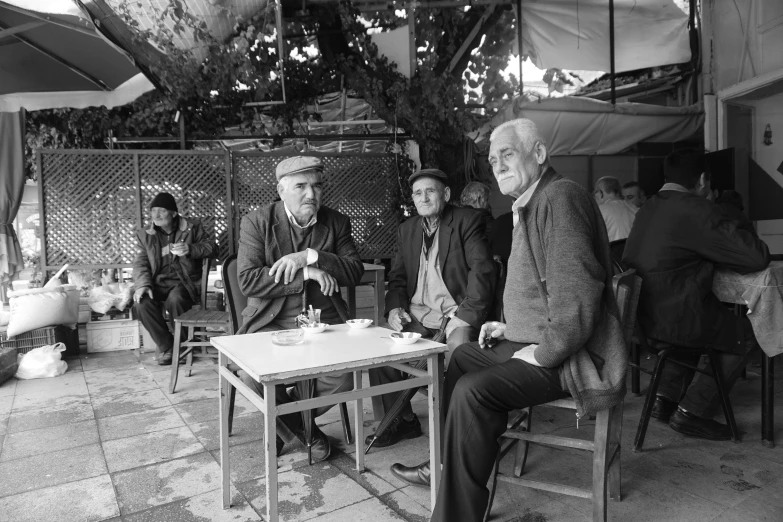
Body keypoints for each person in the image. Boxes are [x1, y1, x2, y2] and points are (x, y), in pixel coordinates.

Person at [390, 119, 627, 522]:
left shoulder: (560, 198)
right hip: (542, 341)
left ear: (538, 154)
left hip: (574, 356)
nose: (497, 165)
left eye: (508, 154)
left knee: (472, 391)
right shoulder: (533, 202)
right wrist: (510, 329)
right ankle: (452, 468)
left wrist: (544, 351)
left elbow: (579, 299)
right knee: (462, 357)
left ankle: (455, 513)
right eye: (492, 159)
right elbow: (545, 290)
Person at [623, 149, 769, 440]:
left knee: (698, 324)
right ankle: (694, 412)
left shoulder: (649, 206)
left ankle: (664, 399)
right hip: (672, 319)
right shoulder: (696, 208)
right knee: (747, 332)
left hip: (639, 318)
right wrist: (722, 212)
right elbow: (756, 257)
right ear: (703, 179)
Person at [236, 156, 364, 462]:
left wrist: (310, 256)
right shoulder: (257, 222)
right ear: (281, 191)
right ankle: (306, 431)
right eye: (301, 186)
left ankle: (286, 416)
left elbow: (354, 271)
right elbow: (248, 280)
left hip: (325, 323)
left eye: (316, 185)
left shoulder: (337, 222)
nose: (311, 193)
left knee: (347, 374)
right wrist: (305, 274)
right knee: (249, 373)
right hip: (272, 321)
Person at [367, 168, 496, 449]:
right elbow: (398, 277)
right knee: (380, 347)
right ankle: (400, 421)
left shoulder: (467, 221)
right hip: (417, 314)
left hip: (455, 315)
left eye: (430, 191)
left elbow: (482, 271)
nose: (423, 198)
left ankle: (455, 430)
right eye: (417, 193)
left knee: (459, 350)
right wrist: (394, 309)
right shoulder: (408, 229)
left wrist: (464, 317)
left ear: (446, 195)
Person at [132, 192, 217, 366]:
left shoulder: (192, 228)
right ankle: (169, 347)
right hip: (157, 283)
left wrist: (190, 249)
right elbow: (140, 263)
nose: (156, 215)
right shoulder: (145, 235)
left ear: (173, 213)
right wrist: (142, 285)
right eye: (153, 211)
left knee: (176, 299)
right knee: (141, 303)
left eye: (161, 211)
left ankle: (184, 346)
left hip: (184, 282)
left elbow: (213, 248)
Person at [593, 176, 637, 241]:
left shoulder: (599, 211)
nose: (594, 196)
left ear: (601, 192)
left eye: (595, 192)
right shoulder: (635, 209)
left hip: (612, 250)